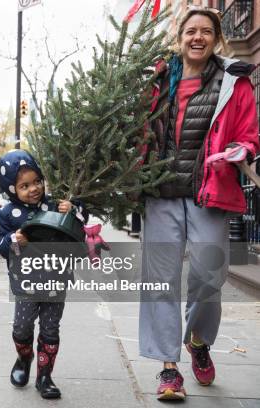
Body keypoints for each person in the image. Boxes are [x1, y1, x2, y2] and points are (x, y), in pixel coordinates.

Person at [140, 7, 259, 401]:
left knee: (210, 277)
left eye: (206, 31)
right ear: (180, 37)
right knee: (161, 282)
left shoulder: (234, 83)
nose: (198, 37)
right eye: (191, 30)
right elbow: (135, 128)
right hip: (162, 194)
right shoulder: (157, 79)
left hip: (212, 191)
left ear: (216, 39)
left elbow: (249, 134)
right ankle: (169, 370)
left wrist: (242, 149)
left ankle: (198, 340)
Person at [0, 149, 78, 400]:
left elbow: (78, 226)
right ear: (11, 189)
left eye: (37, 181)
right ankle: (24, 357)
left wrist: (71, 210)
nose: (34, 188)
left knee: (50, 329)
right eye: (24, 185)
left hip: (55, 281)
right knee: (22, 326)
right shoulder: (6, 214)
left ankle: (44, 376)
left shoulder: (54, 205)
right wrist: (13, 239)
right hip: (25, 283)